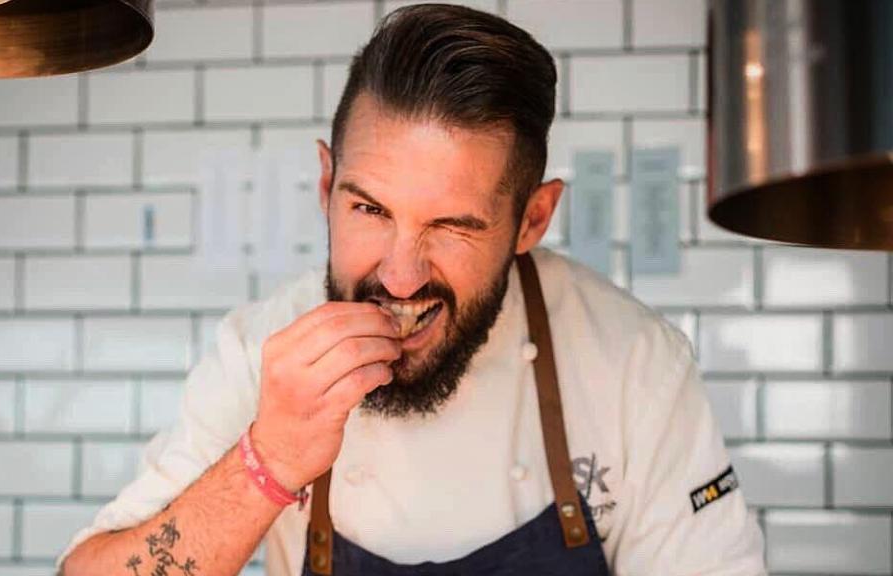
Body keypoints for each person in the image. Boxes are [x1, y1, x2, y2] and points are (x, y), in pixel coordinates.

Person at [57, 4, 766, 575]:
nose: (399, 277)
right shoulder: (258, 353)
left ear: (532, 220)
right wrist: (267, 461)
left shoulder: (635, 366)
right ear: (327, 186)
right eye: (369, 209)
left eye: (452, 227)